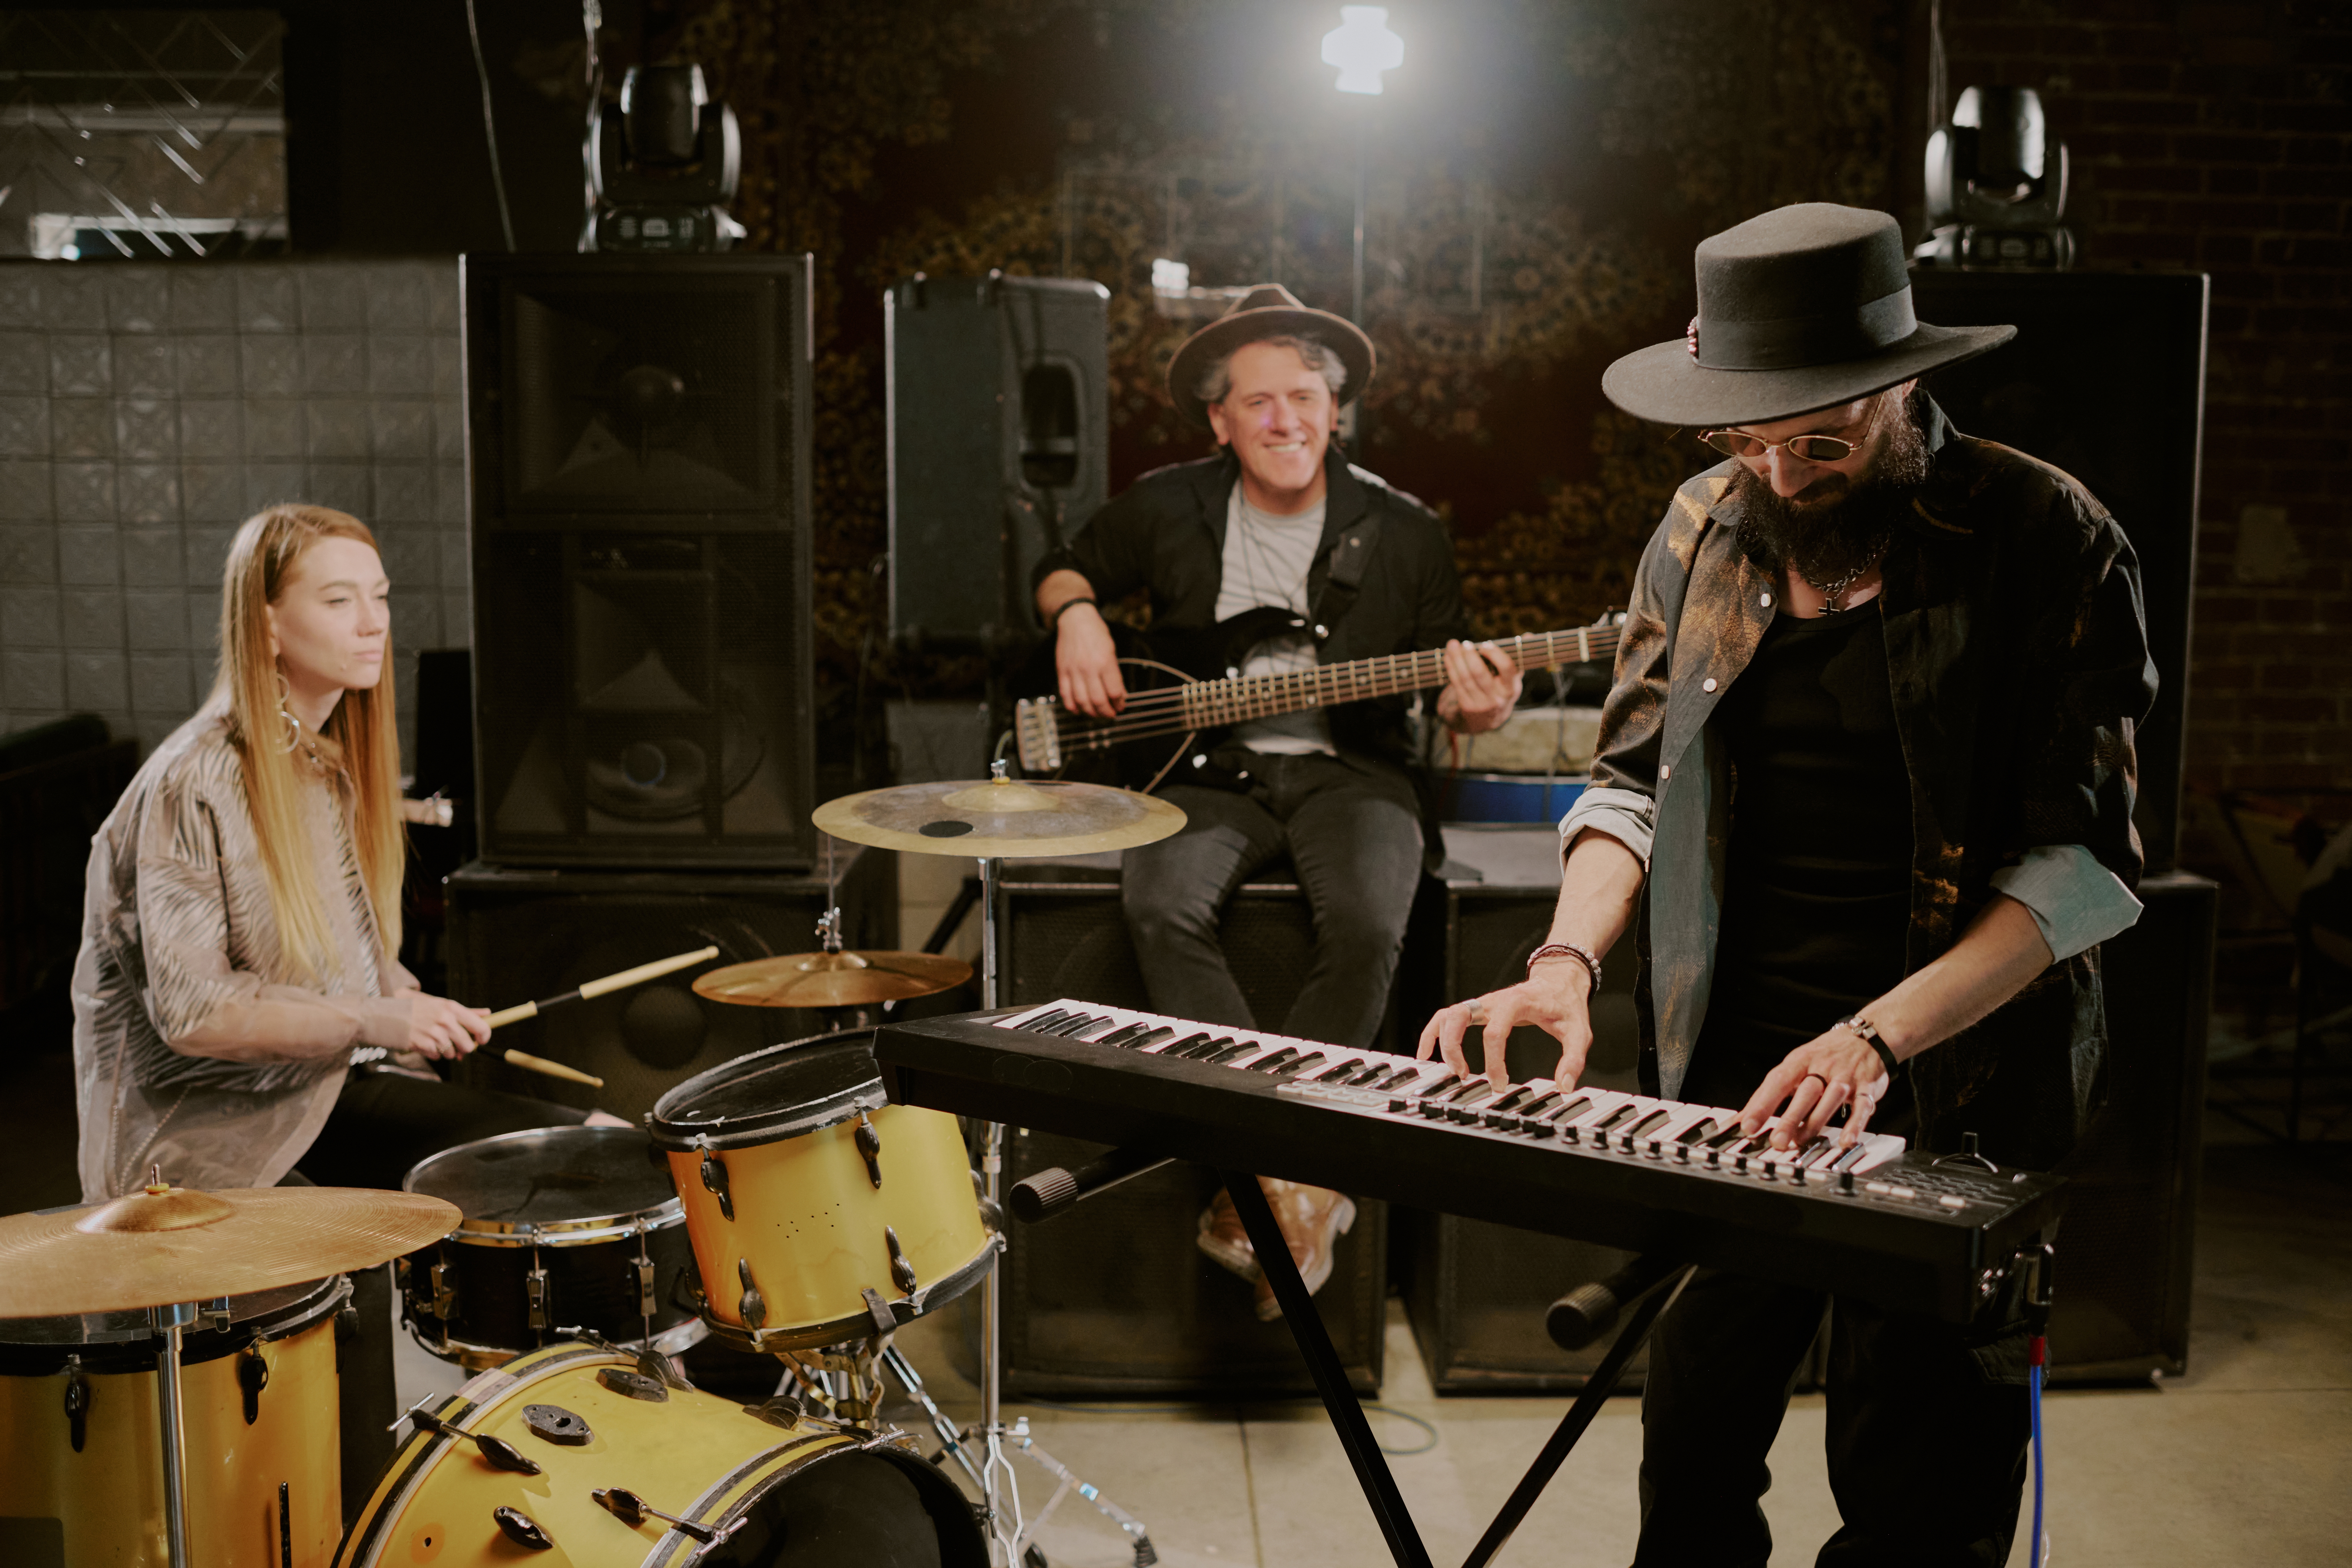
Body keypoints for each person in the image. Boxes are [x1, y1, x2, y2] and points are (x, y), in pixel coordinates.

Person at [1419, 204, 2156, 1565]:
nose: (1780, 468)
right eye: (1745, 435)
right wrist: (1563, 962)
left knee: (1913, 1486)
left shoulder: (2048, 535)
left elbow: (2079, 869)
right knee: (1690, 1457)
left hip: (1957, 1081)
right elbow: (1631, 782)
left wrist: (1876, 1035)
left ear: (1900, 384)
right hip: (1732, 1082)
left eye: (1818, 437)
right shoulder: (1701, 523)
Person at [1033, 284, 1522, 1319]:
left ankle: (1262, 1172)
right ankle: (1290, 1177)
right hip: (1204, 770)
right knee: (1159, 904)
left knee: (1364, 920)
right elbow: (1058, 564)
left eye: (1302, 396)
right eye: (1256, 403)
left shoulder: (1402, 532)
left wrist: (1478, 706)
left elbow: (1453, 693)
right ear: (1219, 419)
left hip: (1354, 770)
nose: (1283, 420)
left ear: (1334, 407)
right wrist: (1077, 614)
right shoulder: (1167, 504)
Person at [72, 503, 622, 1203]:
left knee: (600, 1147)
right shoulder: (195, 779)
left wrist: (394, 989)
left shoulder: (318, 761)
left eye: (381, 597)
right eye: (339, 600)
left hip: (326, 1091)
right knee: (589, 1159)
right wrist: (372, 1018)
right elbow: (197, 1012)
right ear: (266, 623)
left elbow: (302, 951)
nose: (374, 622)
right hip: (216, 1130)